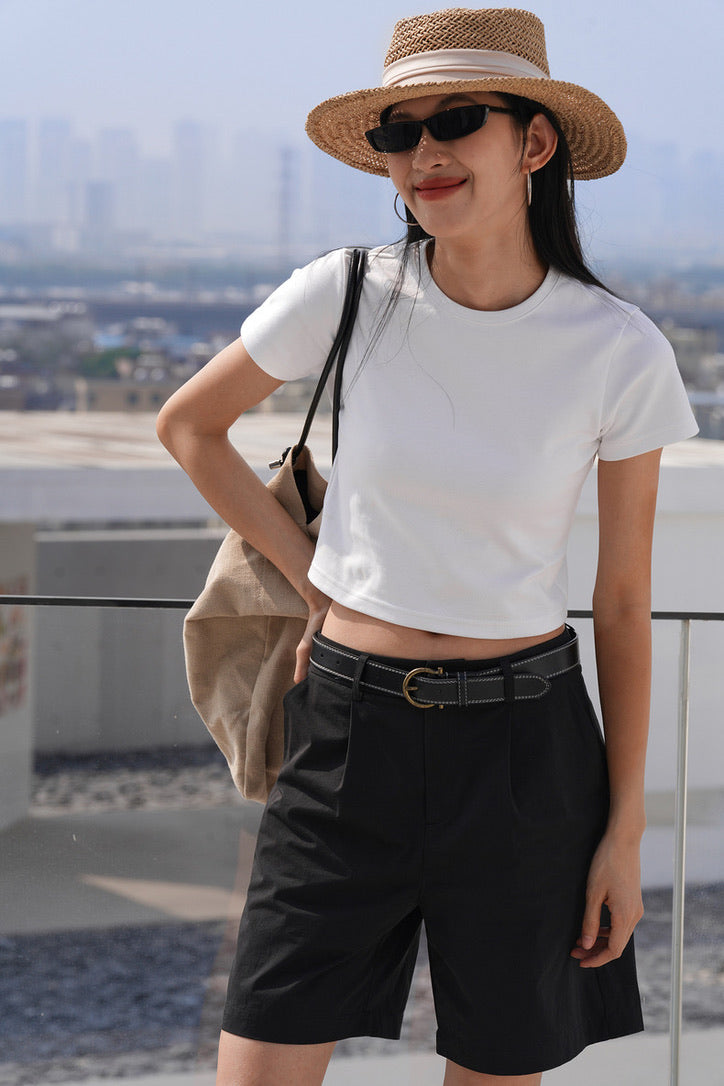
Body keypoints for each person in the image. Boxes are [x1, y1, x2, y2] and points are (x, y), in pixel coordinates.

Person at [156, 8, 698, 1084]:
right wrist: (317, 583)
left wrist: (623, 833)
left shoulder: (617, 349)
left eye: (455, 120)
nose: (422, 155)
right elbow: (190, 427)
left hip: (526, 754)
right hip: (344, 729)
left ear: (533, 143)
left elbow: (625, 600)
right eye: (398, 135)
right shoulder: (350, 292)